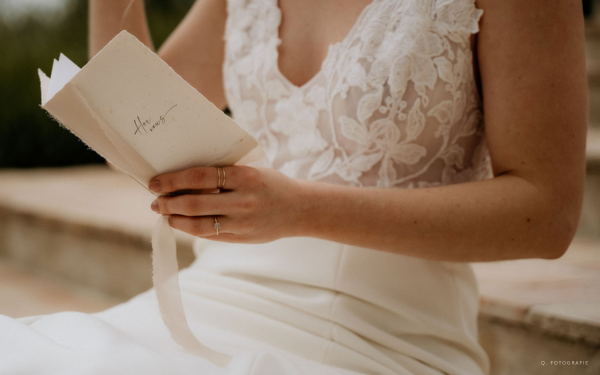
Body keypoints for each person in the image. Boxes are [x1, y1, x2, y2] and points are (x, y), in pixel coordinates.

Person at [0, 0, 587, 374]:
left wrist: (301, 209)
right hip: (213, 300)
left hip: (383, 333)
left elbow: (548, 212)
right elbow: (128, 124)